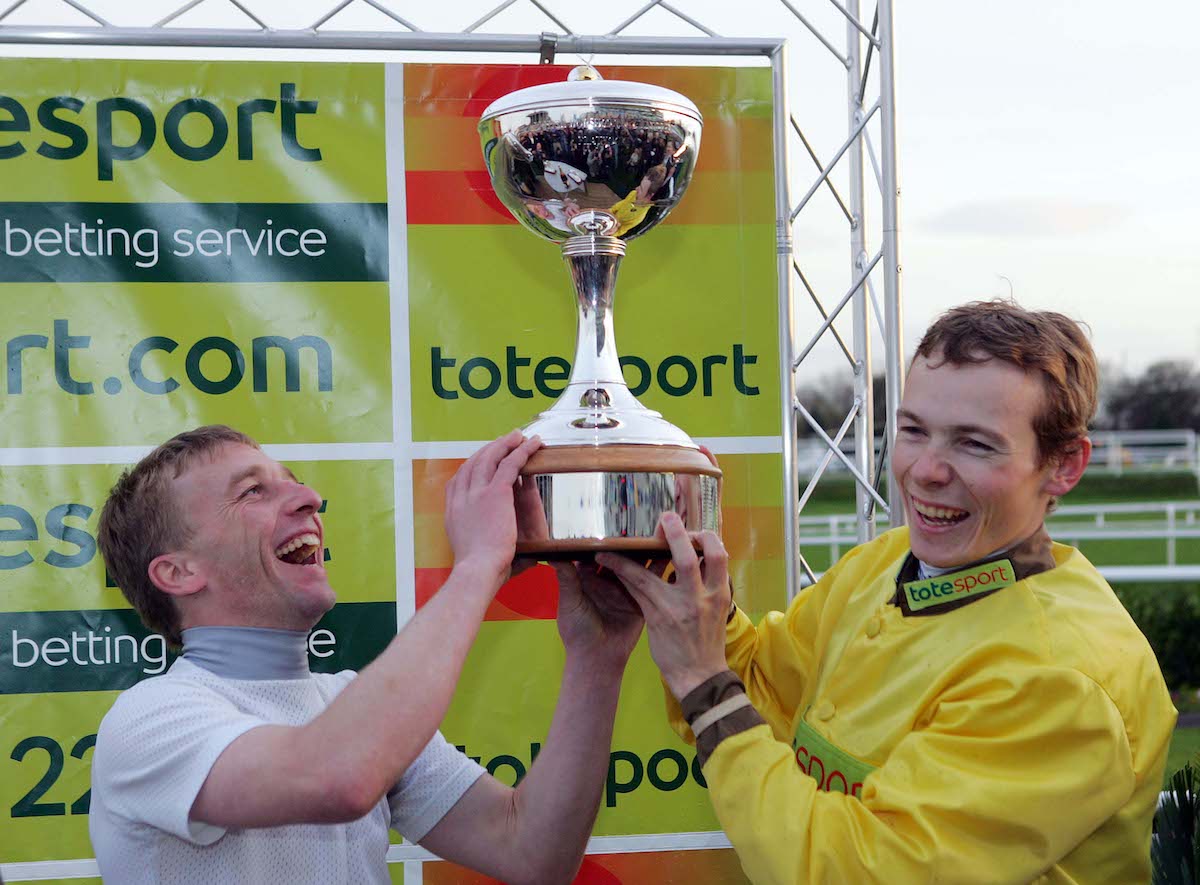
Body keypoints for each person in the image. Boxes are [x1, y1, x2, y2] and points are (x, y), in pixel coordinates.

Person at [597, 301, 1177, 883]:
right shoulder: (887, 560)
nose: (926, 470)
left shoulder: (1061, 677)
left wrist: (704, 686)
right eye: (913, 430)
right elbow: (768, 697)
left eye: (974, 444)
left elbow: (853, 872)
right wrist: (680, 581)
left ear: (1064, 466)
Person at [90, 426, 643, 885]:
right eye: (252, 491)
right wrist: (477, 567)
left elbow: (531, 852)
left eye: (295, 483)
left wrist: (598, 658)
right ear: (179, 573)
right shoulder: (150, 718)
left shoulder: (350, 704)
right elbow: (339, 778)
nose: (309, 499)